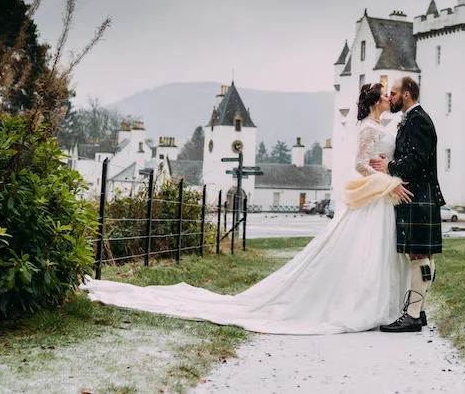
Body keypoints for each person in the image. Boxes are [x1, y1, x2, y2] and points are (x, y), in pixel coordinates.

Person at [82, 83, 413, 334]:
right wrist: (386, 179)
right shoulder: (368, 128)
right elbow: (360, 165)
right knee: (364, 251)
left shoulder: (379, 125)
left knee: (371, 252)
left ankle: (378, 302)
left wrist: (387, 169)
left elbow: (376, 159)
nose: (389, 97)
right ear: (374, 102)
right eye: (384, 95)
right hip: (377, 195)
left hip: (379, 198)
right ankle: (366, 304)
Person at [369, 75, 445, 333]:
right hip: (419, 195)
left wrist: (389, 166)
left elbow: (417, 161)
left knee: (419, 254)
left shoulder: (419, 121)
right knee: (423, 254)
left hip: (419, 195)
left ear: (407, 95)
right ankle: (418, 311)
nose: (390, 96)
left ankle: (412, 315)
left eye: (394, 92)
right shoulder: (412, 119)